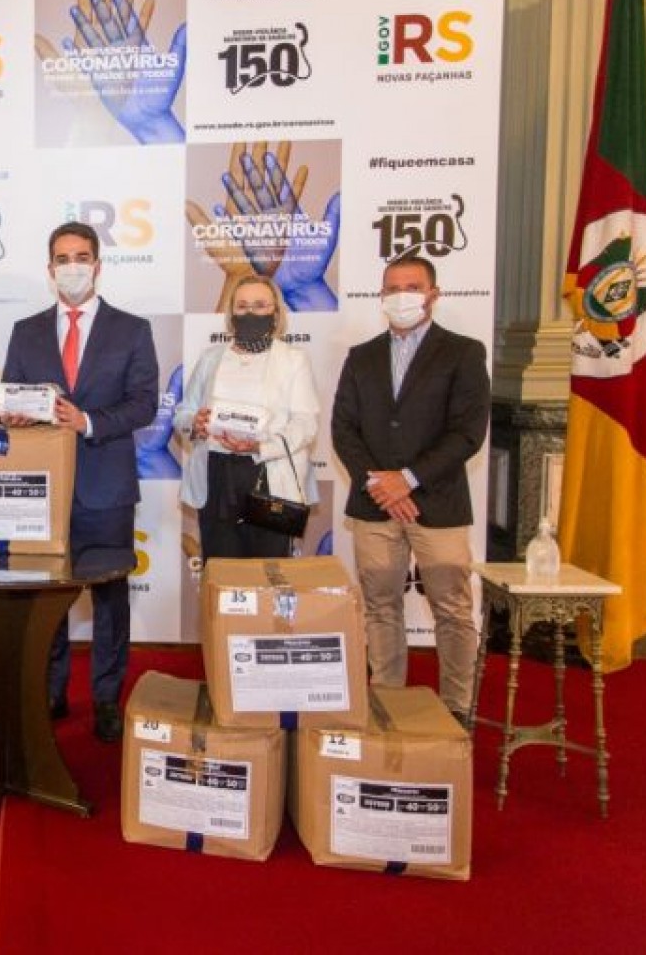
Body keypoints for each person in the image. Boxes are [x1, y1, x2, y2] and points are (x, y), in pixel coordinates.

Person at [0, 221, 158, 742]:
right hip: (43, 490)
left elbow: (144, 404)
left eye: (81, 257)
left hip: (107, 487)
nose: (72, 267)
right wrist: (13, 415)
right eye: (63, 258)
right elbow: (10, 397)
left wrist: (87, 421)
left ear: (97, 265)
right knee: (48, 598)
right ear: (50, 269)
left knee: (110, 598)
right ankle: (52, 691)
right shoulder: (26, 331)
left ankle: (107, 698)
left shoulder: (132, 329)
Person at [331, 256, 490, 723]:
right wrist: (382, 484)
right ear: (381, 296)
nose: (402, 296)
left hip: (437, 503)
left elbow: (467, 432)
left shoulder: (463, 352)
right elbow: (344, 429)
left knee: (453, 610)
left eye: (413, 286)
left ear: (432, 294)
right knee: (381, 607)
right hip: (374, 504)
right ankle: (387, 700)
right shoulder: (361, 356)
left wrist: (409, 479)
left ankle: (457, 706)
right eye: (393, 288)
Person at [175, 275, 319, 560]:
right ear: (231, 313)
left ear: (275, 312)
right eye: (242, 306)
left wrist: (260, 446)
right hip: (216, 478)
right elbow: (183, 412)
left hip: (269, 477)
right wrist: (194, 423)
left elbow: (306, 423)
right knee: (220, 570)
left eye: (260, 305)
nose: (250, 313)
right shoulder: (211, 357)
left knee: (268, 572)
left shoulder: (294, 359)